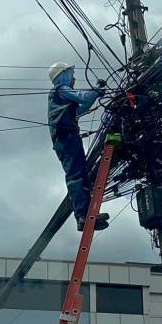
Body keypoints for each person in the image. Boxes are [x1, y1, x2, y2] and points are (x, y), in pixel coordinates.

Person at [48, 62, 109, 232]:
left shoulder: (63, 100)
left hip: (69, 137)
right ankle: (82, 216)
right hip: (65, 139)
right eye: (71, 75)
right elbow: (83, 97)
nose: (74, 78)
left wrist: (96, 94)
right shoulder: (60, 89)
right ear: (63, 75)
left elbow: (83, 107)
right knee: (76, 176)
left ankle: (88, 215)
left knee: (82, 175)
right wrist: (96, 90)